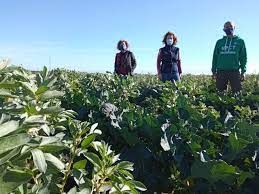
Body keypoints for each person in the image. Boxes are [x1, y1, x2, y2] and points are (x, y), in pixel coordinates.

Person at [212, 21, 247, 93]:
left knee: (237, 93)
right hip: (221, 71)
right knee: (220, 93)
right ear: (223, 29)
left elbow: (243, 57)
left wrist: (243, 71)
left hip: (234, 71)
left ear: (234, 28)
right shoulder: (219, 42)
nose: (228, 28)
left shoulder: (240, 41)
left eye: (230, 26)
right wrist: (213, 71)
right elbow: (215, 57)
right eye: (226, 27)